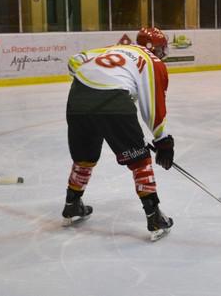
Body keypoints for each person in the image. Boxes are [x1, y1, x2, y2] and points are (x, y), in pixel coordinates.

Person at [61, 27, 175, 241]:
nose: (163, 51)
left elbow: (76, 59)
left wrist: (92, 78)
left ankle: (72, 204)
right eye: (161, 47)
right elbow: (153, 105)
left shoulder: (117, 48)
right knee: (140, 160)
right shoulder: (154, 62)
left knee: (85, 156)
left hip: (78, 97)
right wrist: (162, 139)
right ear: (155, 48)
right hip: (113, 101)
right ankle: (154, 217)